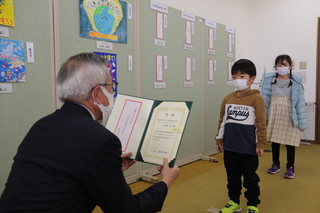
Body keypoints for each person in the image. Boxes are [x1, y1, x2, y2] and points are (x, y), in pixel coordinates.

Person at [0, 52, 179, 213]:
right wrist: (165, 181)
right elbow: (127, 210)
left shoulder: (42, 125)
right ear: (97, 94)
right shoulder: (101, 140)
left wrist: (109, 167)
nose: (112, 92)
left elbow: (66, 172)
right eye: (111, 86)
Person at [215, 59, 266, 213]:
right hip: (230, 146)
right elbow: (222, 121)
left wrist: (261, 144)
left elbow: (261, 123)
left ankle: (252, 204)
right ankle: (234, 201)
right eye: (235, 76)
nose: (238, 80)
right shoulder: (228, 98)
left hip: (248, 148)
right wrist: (219, 139)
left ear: (252, 79)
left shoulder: (257, 99)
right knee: (232, 178)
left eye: (242, 76)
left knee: (250, 178)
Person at [260, 54, 308, 179]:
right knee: (275, 141)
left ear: (290, 66)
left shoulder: (295, 83)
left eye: (285, 65)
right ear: (275, 67)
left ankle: (290, 167)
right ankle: (275, 164)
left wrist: (302, 123)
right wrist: (262, 118)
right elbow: (265, 100)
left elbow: (300, 104)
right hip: (274, 115)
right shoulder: (269, 81)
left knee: (289, 143)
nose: (282, 67)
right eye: (279, 65)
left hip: (289, 115)